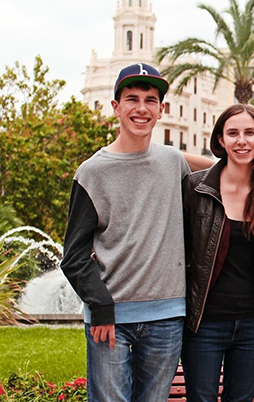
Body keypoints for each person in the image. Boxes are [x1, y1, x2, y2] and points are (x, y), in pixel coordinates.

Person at [61, 63, 189, 402]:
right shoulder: (92, 173)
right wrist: (101, 307)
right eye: (132, 99)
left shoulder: (174, 163)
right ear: (116, 106)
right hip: (110, 318)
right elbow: (73, 256)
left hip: (167, 317)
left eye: (151, 100)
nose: (142, 108)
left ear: (162, 110)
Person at [180, 104, 254, 402]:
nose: (241, 141)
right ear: (220, 139)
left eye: (249, 133)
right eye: (232, 133)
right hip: (204, 323)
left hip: (253, 326)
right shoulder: (196, 189)